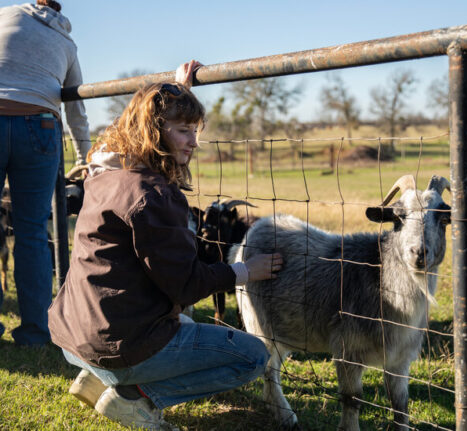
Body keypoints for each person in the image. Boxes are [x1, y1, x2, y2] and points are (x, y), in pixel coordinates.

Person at [48, 61, 283, 430]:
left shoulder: (104, 169)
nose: (194, 142)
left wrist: (177, 91)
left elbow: (129, 125)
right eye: (183, 131)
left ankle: (101, 376)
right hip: (116, 345)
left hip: (72, 336)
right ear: (155, 133)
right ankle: (135, 396)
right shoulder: (152, 194)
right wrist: (244, 272)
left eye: (195, 131)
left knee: (183, 320)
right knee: (251, 356)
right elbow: (186, 284)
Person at [0, 0, 91, 345]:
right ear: (59, 10)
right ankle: (35, 331)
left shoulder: (5, 16)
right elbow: (76, 109)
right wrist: (85, 159)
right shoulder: (67, 43)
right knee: (32, 232)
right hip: (40, 124)